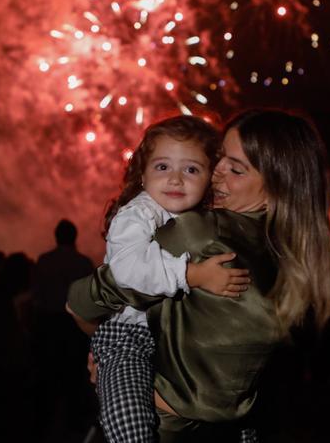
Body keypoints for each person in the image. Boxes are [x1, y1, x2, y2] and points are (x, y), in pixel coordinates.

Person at [68, 109, 330, 441]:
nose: (216, 173)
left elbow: (80, 303)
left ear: (277, 188)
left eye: (235, 169)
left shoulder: (201, 231)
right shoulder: (305, 264)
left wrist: (111, 357)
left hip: (161, 429)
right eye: (220, 158)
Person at [79, 115, 249, 442]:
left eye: (191, 170)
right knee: (129, 421)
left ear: (209, 179)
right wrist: (193, 274)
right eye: (162, 167)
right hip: (128, 335)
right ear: (142, 175)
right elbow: (127, 272)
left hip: (171, 338)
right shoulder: (137, 214)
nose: (175, 179)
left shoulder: (203, 220)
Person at [30, 220, 96, 436]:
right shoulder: (83, 263)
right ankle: (74, 428)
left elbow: (36, 297)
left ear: (56, 236)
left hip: (48, 326)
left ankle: (42, 427)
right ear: (74, 237)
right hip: (73, 327)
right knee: (74, 378)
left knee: (47, 377)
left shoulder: (44, 261)